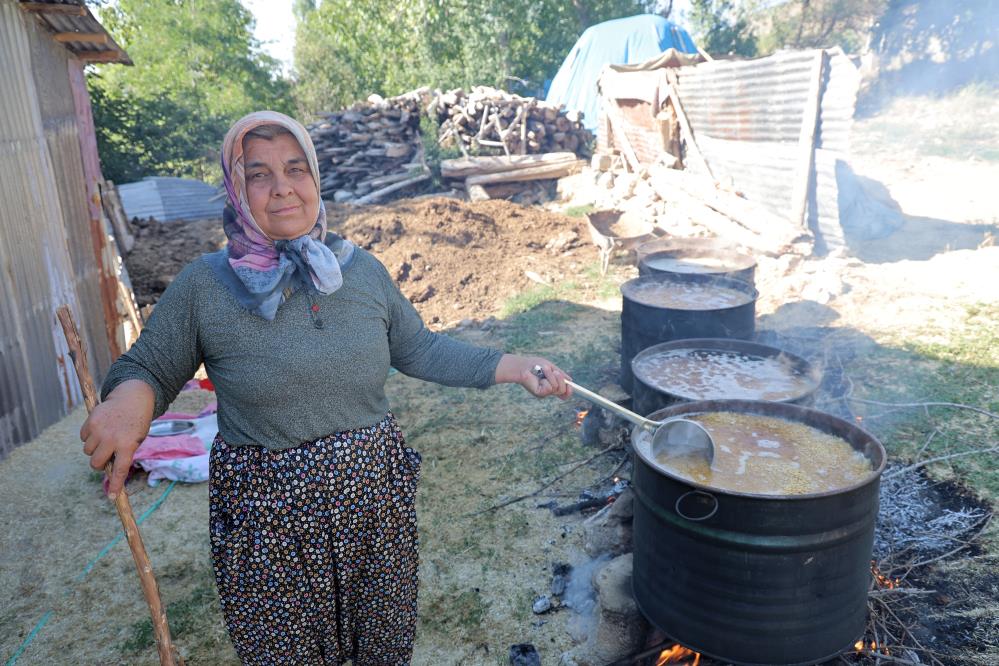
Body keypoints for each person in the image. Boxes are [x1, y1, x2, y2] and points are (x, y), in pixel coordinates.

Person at [80, 110, 573, 665]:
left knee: (381, 650)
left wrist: (514, 364)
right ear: (235, 190)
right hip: (270, 525)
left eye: (296, 168)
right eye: (258, 174)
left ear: (316, 177)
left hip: (374, 507)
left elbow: (420, 348)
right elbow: (148, 366)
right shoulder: (205, 286)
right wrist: (130, 399)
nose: (283, 186)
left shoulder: (359, 272)